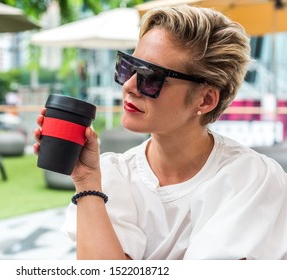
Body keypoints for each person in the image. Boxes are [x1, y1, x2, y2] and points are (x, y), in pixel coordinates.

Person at [34, 5, 287, 260]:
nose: (130, 86)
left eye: (149, 76)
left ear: (205, 99)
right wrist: (86, 180)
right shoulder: (112, 176)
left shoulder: (250, 179)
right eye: (128, 67)